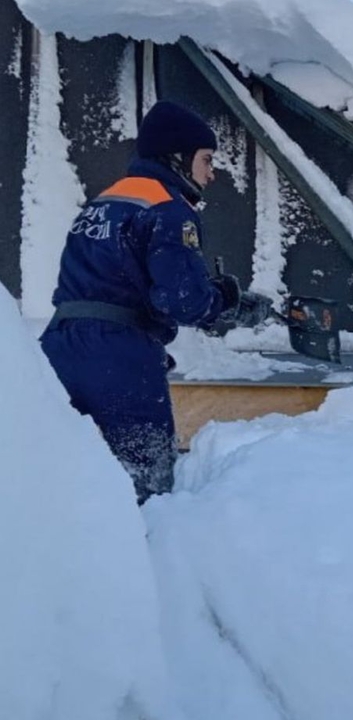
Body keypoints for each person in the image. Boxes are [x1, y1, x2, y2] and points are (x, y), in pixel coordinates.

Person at [40, 100, 272, 502]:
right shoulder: (169, 209)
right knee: (146, 482)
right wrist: (229, 301)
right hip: (120, 356)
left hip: (57, 347)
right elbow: (183, 300)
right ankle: (138, 559)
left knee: (47, 472)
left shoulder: (104, 202)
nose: (211, 172)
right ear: (178, 157)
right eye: (206, 159)